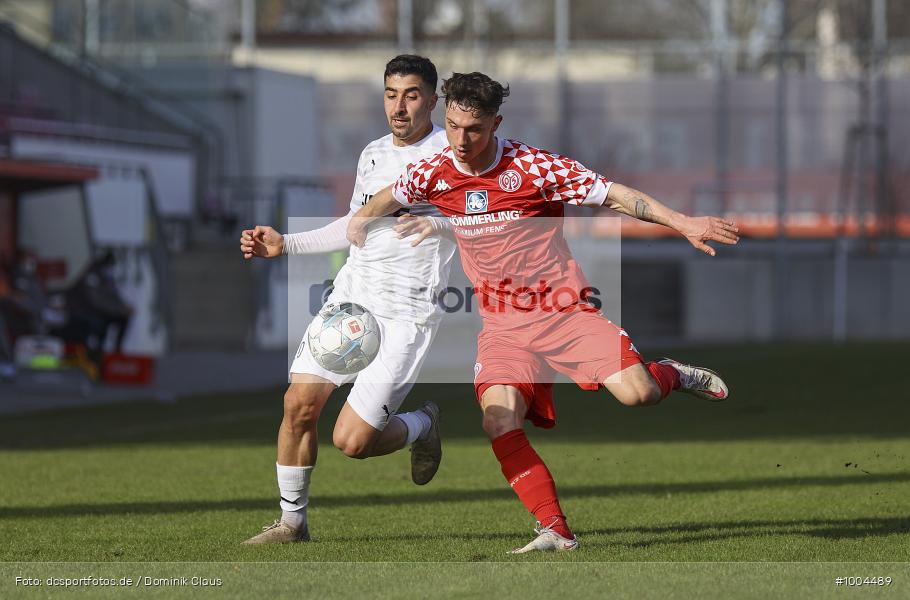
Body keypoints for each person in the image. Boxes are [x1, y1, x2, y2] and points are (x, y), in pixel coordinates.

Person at [347, 72, 740, 553]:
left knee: (638, 394)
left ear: (496, 124)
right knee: (498, 419)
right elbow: (391, 196)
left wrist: (683, 222)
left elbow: (615, 195)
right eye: (452, 126)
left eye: (473, 129)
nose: (461, 140)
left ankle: (672, 374)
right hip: (503, 326)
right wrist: (360, 222)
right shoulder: (433, 171)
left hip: (564, 312)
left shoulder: (534, 168)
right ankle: (556, 530)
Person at [239, 55, 458, 544]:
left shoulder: (453, 154)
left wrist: (439, 224)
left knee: (352, 442)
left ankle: (422, 424)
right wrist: (286, 244)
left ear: (433, 100)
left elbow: (483, 221)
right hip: (353, 299)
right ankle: (291, 523)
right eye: (391, 94)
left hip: (408, 313)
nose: (399, 107)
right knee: (298, 405)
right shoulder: (373, 153)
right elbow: (354, 225)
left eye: (412, 95)